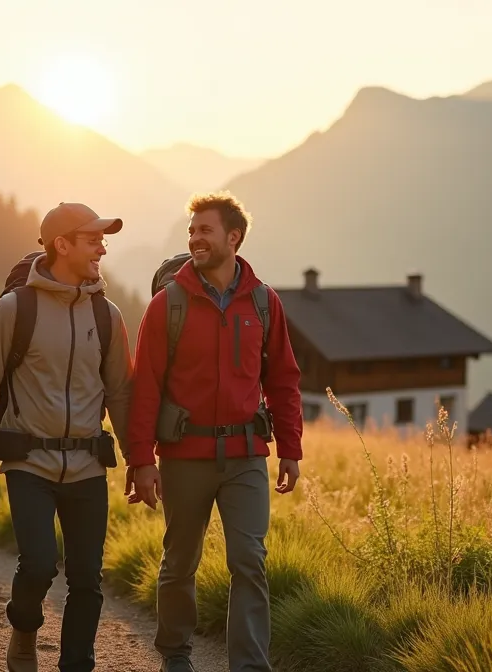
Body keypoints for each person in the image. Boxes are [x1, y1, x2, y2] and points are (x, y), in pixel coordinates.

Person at [127, 192, 305, 672]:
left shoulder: (264, 303)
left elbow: (284, 379)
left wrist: (291, 448)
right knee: (180, 560)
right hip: (184, 455)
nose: (194, 239)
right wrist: (141, 460)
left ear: (234, 237)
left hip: (247, 455)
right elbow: (145, 386)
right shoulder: (169, 305)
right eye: (191, 231)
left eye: (204, 230)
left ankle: (249, 665)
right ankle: (176, 654)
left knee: (249, 560)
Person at [0, 203, 135, 672]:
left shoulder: (107, 314)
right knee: (38, 565)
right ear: (62, 244)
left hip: (87, 465)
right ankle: (23, 631)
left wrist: (140, 461)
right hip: (29, 464)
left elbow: (120, 393)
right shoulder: (15, 308)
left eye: (103, 239)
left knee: (86, 580)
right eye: (93, 239)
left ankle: (76, 664)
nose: (102, 247)